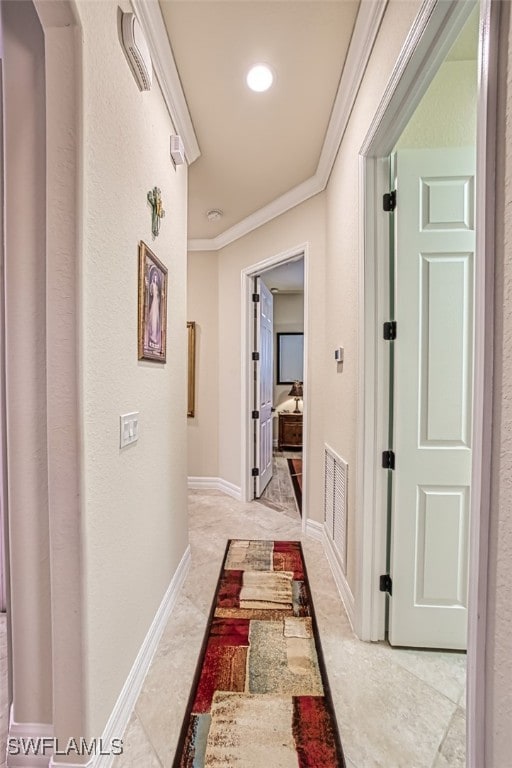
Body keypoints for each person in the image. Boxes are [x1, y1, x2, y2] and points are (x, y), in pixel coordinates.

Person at [148, 269, 161, 349]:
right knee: (153, 318)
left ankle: (155, 335)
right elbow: (151, 293)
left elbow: (157, 295)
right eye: (154, 277)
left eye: (156, 277)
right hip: (154, 302)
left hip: (157, 302)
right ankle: (152, 335)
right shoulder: (152, 285)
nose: (155, 278)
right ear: (153, 277)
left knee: (156, 319)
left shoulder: (156, 285)